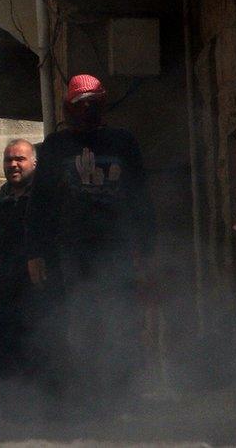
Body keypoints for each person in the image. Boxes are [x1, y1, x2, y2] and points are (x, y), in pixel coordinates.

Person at [25, 74, 156, 417]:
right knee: (81, 323)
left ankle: (123, 396)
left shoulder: (122, 142)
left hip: (117, 249)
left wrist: (146, 252)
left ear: (102, 104)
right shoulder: (55, 147)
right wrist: (36, 253)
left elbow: (140, 198)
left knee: (122, 322)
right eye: (80, 105)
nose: (86, 111)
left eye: (92, 104)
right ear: (69, 107)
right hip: (72, 251)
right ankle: (86, 399)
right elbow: (40, 203)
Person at [0, 139, 62, 419]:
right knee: (6, 366)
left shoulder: (48, 205)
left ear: (34, 163)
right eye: (8, 159)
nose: (13, 164)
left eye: (20, 159)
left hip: (40, 299)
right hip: (2, 303)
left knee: (43, 360)